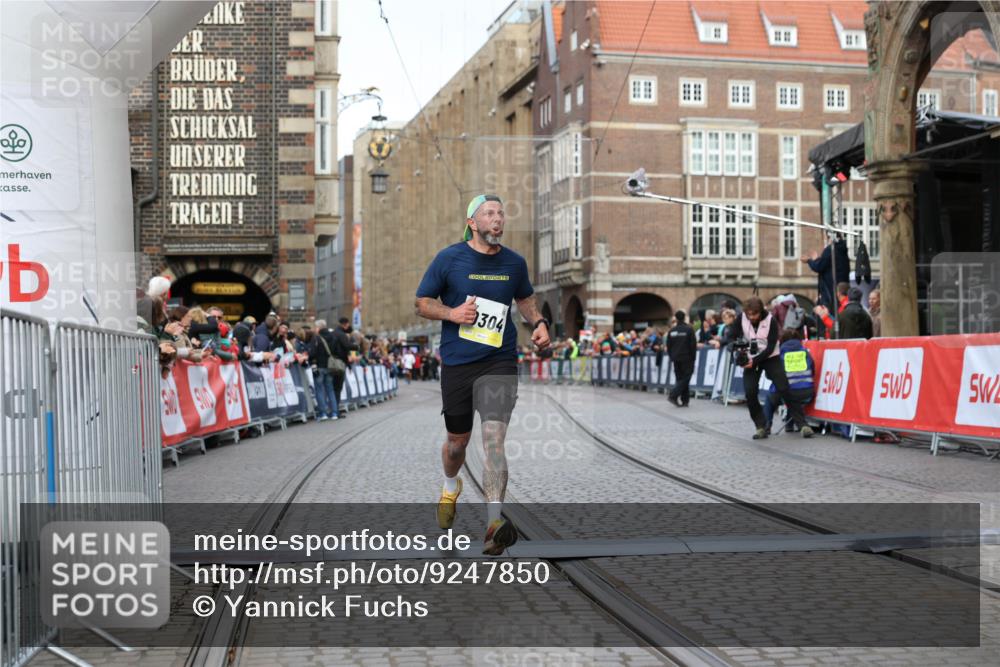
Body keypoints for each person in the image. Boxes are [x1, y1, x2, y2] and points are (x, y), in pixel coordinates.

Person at [415, 193, 549, 556]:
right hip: (459, 362)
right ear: (473, 223)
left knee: (493, 440)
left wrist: (537, 322)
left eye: (501, 213)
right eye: (489, 213)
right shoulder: (449, 259)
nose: (498, 218)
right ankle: (449, 485)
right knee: (457, 443)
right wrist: (453, 314)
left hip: (499, 361)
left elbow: (524, 299)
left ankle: (493, 523)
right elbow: (423, 302)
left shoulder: (514, 263)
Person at [726, 297, 813, 439]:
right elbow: (730, 336)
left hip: (770, 356)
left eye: (754, 314)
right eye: (749, 314)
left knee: (784, 387)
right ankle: (761, 426)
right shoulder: (742, 318)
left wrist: (754, 362)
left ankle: (802, 424)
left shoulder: (770, 320)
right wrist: (733, 346)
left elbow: (770, 347)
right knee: (750, 392)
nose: (751, 317)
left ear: (760, 312)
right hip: (750, 357)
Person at [763, 329, 816, 433]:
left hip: (788, 393)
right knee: (792, 394)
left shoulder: (778, 354)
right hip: (808, 393)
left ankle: (766, 426)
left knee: (771, 398)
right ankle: (790, 425)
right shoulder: (805, 352)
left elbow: (770, 376)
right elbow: (812, 371)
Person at [803, 236, 850, 309]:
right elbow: (826, 264)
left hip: (830, 290)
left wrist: (809, 261)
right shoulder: (842, 250)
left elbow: (819, 267)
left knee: (829, 312)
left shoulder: (830, 250)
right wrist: (816, 260)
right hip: (840, 287)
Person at [308, 319, 340, 421]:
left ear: (318, 328)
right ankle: (334, 413)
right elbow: (337, 352)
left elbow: (312, 353)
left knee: (320, 390)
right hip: (330, 366)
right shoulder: (333, 337)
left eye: (315, 327)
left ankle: (323, 413)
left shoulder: (316, 338)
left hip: (319, 366)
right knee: (330, 389)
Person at [666, 310, 697, 407]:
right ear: (684, 318)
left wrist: (672, 356)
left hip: (676, 358)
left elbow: (668, 346)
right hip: (687, 357)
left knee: (681, 379)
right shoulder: (689, 329)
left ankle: (685, 400)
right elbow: (693, 345)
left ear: (676, 318)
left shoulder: (672, 331)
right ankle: (673, 395)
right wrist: (693, 357)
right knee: (685, 378)